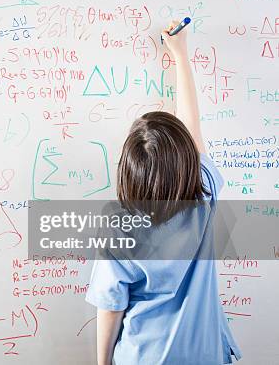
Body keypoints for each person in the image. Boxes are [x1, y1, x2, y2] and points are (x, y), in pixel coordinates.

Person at [84, 21, 242, 365]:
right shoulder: (205, 195)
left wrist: (103, 363)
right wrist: (180, 54)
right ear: (186, 160)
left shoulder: (118, 225)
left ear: (129, 169)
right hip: (206, 356)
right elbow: (191, 126)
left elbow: (111, 307)